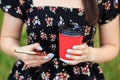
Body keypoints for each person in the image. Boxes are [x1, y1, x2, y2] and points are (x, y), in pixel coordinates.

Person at [0, 0, 119, 80]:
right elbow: (7, 38)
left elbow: (112, 45)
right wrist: (21, 53)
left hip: (82, 76)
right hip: (33, 74)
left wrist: (91, 54)